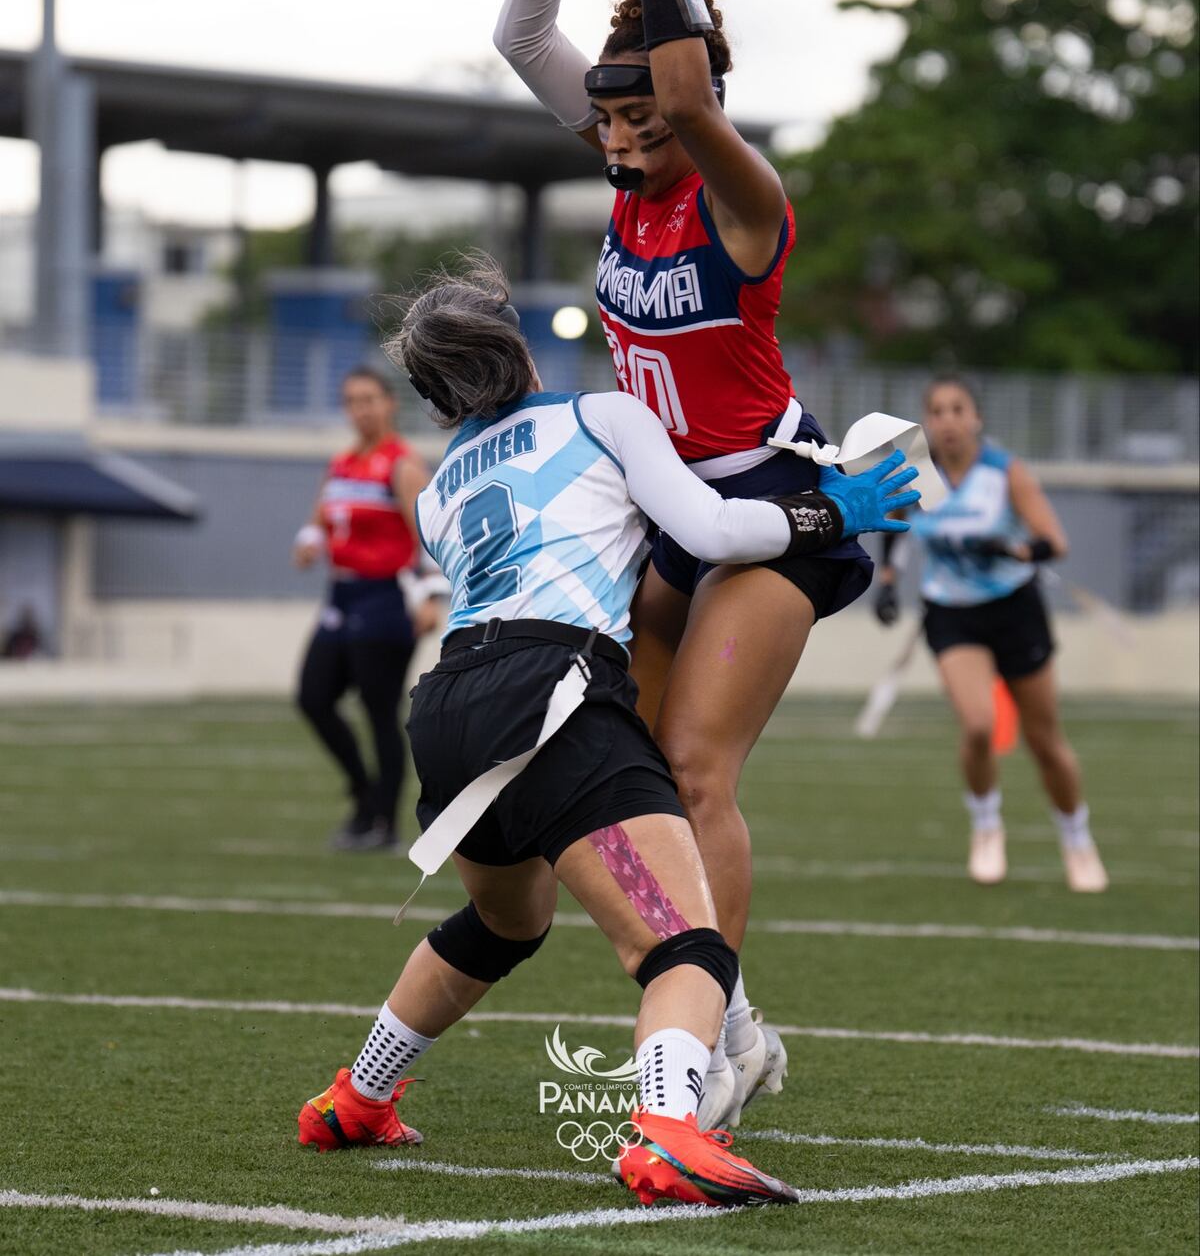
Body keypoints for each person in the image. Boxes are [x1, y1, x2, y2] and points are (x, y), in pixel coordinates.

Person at [297, 256, 918, 1206]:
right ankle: (667, 1132)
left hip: (451, 707)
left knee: (505, 920)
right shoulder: (600, 414)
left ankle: (357, 1095)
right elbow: (710, 530)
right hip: (555, 697)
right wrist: (836, 508)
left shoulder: (436, 494)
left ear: (431, 398)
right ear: (518, 348)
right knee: (686, 947)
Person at [493, 0, 876, 1122]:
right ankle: (737, 1016)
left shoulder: (744, 198)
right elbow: (518, 34)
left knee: (700, 768)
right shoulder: (620, 161)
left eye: (647, 121)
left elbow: (688, 92)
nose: (622, 139)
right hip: (672, 508)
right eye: (610, 123)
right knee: (636, 769)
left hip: (779, 499)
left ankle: (708, 1043)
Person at [874, 375, 1108, 892]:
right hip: (952, 612)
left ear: (976, 417)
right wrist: (887, 582)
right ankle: (986, 827)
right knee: (978, 726)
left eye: (958, 409)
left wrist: (1010, 549)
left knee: (1045, 740)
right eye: (937, 411)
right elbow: (893, 522)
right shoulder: (917, 469)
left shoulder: (1003, 472)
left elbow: (1053, 543)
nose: (948, 420)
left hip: (1014, 608)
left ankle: (1076, 839)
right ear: (926, 420)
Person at [293, 367, 437, 851]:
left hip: (385, 598)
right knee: (313, 697)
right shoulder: (341, 463)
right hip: (341, 595)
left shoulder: (402, 464)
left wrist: (429, 598)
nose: (362, 409)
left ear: (389, 403)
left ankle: (382, 824)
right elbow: (319, 521)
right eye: (353, 400)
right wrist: (309, 541)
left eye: (370, 399)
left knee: (378, 710)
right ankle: (363, 792)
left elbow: (428, 538)